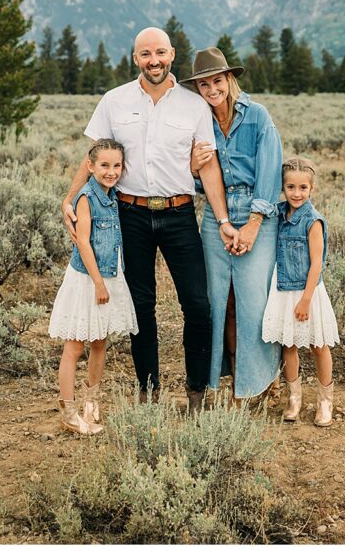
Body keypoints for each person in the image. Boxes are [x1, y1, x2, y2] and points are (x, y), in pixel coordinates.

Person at [63, 27, 237, 414]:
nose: (153, 60)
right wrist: (71, 197)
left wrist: (222, 218)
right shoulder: (114, 101)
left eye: (160, 52)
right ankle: (148, 391)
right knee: (141, 305)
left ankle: (195, 392)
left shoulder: (194, 106)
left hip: (179, 215)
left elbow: (207, 168)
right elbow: (93, 156)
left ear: (172, 54)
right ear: (135, 58)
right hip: (130, 214)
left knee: (197, 304)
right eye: (145, 54)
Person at [183, 47, 283, 402]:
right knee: (219, 298)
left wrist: (254, 222)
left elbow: (271, 171)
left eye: (217, 80)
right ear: (197, 89)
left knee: (252, 299)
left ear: (229, 80)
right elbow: (195, 185)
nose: (212, 89)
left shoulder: (257, 116)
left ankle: (255, 383)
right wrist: (193, 168)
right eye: (204, 84)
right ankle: (229, 378)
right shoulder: (200, 123)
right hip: (215, 213)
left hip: (258, 211)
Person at [49, 139, 139, 434]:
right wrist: (99, 282)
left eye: (116, 166)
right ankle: (68, 410)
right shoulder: (87, 197)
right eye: (104, 165)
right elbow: (83, 242)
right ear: (90, 167)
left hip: (109, 276)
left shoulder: (111, 195)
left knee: (99, 341)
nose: (111, 172)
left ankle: (91, 401)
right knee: (74, 346)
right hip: (88, 280)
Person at [261, 158, 338, 426]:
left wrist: (306, 300)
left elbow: (317, 262)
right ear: (283, 188)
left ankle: (325, 402)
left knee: (319, 345)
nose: (296, 193)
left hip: (307, 292)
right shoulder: (279, 215)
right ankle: (294, 399)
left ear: (312, 189)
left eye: (303, 187)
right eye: (290, 187)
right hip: (282, 289)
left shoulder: (313, 220)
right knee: (289, 344)